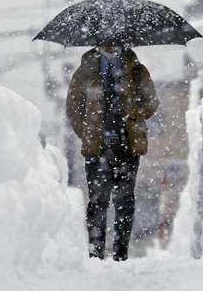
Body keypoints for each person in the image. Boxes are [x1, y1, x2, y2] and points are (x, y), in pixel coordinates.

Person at [66, 45, 158, 261]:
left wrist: (134, 111)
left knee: (125, 201)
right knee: (98, 201)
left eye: (115, 39)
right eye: (105, 39)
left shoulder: (137, 70)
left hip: (127, 144)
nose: (110, 43)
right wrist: (87, 131)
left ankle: (120, 253)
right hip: (97, 147)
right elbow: (73, 106)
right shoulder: (85, 71)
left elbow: (151, 102)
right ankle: (96, 252)